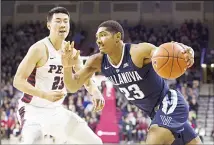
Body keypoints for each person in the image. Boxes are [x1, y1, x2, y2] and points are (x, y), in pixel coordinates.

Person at [62, 20, 202, 145]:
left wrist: (184, 49)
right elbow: (72, 86)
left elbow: (162, 52)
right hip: (155, 113)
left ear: (117, 37)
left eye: (103, 35)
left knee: (154, 136)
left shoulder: (137, 52)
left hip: (169, 102)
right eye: (97, 37)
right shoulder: (97, 61)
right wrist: (67, 67)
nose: (98, 40)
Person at [13, 6, 104, 144]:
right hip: (32, 111)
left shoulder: (71, 51)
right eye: (58, 21)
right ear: (49, 25)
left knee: (95, 142)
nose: (62, 24)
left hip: (56, 112)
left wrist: (95, 91)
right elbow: (18, 81)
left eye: (65, 21)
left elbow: (85, 78)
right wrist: (44, 95)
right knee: (34, 140)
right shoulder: (39, 49)